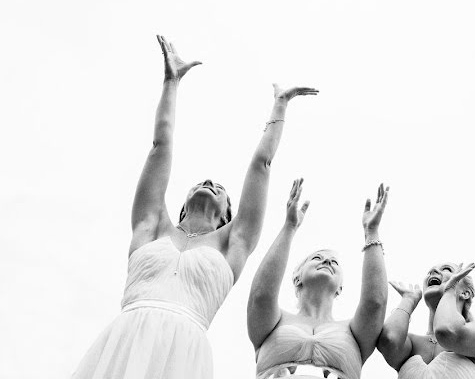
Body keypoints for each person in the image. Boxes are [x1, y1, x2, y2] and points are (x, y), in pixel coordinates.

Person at [73, 35, 317, 379]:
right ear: (183, 204)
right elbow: (161, 145)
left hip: (184, 350)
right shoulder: (152, 224)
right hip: (127, 336)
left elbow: (261, 164)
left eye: (220, 189)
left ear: (227, 217)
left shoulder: (234, 243)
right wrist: (171, 82)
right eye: (201, 183)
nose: (209, 184)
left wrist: (279, 106)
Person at [248, 180, 390, 379]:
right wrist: (290, 227)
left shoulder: (354, 332)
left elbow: (375, 303)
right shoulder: (274, 321)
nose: (326, 261)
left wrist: (371, 232)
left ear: (340, 288)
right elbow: (260, 296)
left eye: (334, 262)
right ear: (297, 277)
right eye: (317, 258)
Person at [377, 262, 475, 379]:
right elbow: (389, 340)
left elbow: (448, 331)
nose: (433, 271)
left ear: (465, 293)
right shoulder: (411, 343)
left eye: (446, 269)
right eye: (430, 271)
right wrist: (408, 299)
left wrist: (450, 289)